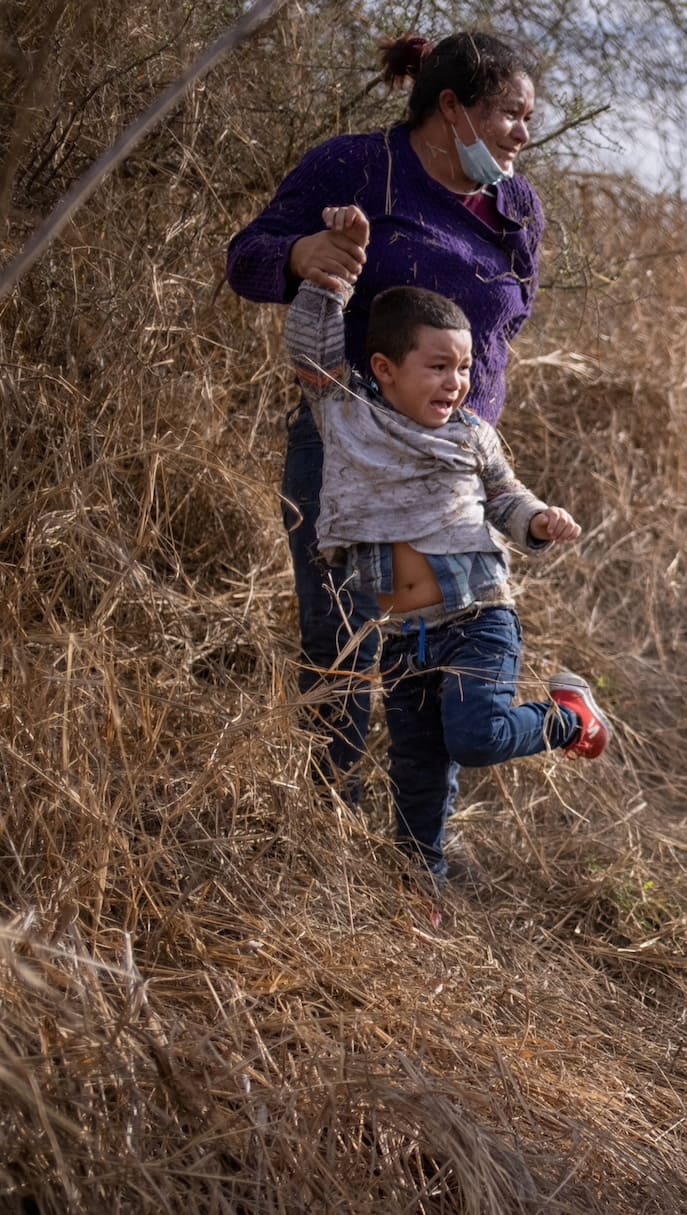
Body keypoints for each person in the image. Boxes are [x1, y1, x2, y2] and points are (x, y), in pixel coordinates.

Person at [227, 31, 545, 800]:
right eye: (510, 112)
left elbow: (512, 317)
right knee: (340, 639)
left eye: (530, 117)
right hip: (352, 454)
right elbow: (247, 258)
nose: (524, 134)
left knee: (439, 651)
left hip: (450, 475)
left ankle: (418, 845)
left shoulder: (516, 205)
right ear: (450, 107)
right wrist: (305, 254)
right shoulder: (359, 166)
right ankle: (330, 819)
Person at [286, 207, 604, 890]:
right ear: (384, 368)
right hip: (404, 634)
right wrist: (337, 267)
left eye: (463, 367)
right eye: (437, 366)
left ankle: (567, 718)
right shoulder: (348, 415)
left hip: (479, 614)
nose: (456, 383)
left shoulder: (470, 435)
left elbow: (505, 497)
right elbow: (311, 346)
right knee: (418, 772)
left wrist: (538, 519)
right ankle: (420, 885)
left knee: (476, 735)